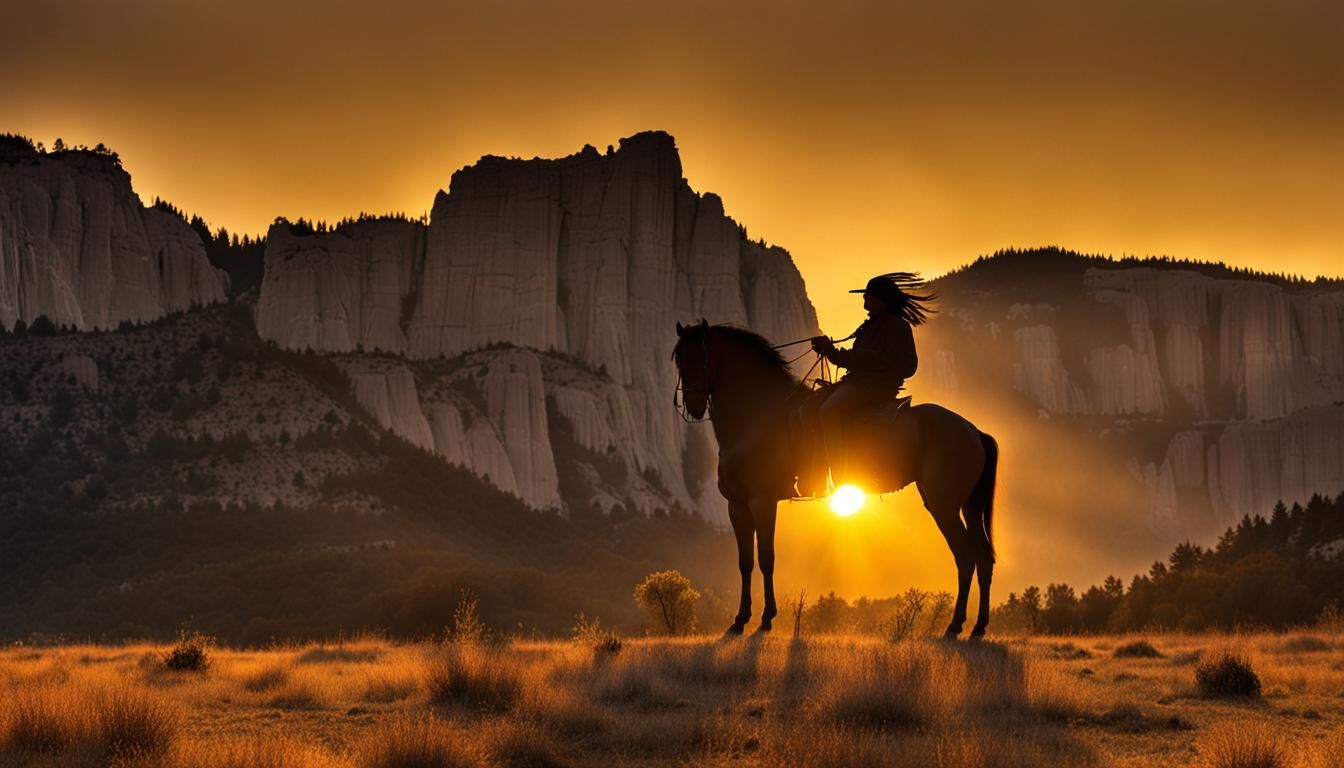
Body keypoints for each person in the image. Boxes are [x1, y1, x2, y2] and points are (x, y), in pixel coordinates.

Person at [804, 272, 933, 493]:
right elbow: (861, 357)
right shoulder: (875, 325)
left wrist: (833, 352)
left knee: (828, 411)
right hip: (861, 383)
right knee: (812, 404)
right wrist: (833, 352)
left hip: (872, 388)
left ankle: (839, 475)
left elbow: (871, 359)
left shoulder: (894, 326)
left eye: (868, 297)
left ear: (881, 300)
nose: (865, 302)